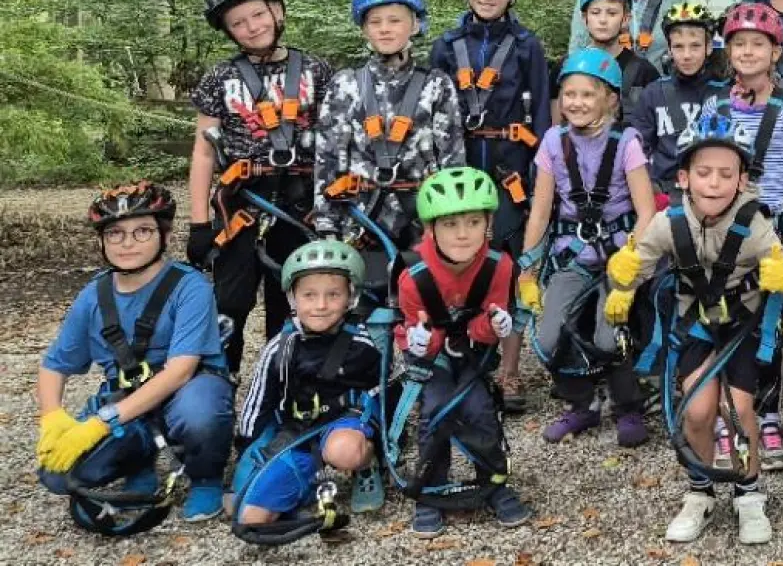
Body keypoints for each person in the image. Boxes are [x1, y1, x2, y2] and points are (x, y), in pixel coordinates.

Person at [604, 111, 783, 545]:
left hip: (742, 324)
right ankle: (699, 490)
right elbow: (636, 266)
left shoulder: (755, 227)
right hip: (697, 324)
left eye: (726, 174)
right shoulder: (668, 224)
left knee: (740, 410)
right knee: (697, 412)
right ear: (683, 178)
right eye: (703, 173)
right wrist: (622, 281)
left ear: (742, 181)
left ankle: (748, 492)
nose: (714, 183)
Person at [38, 183, 234, 524]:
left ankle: (206, 478)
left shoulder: (191, 287)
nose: (127, 243)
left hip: (186, 391)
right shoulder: (92, 295)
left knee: (200, 410)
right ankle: (137, 463)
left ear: (165, 234)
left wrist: (102, 422)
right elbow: (55, 365)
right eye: (115, 233)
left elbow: (181, 372)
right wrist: (52, 416)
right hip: (128, 397)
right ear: (101, 241)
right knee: (56, 475)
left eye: (142, 231)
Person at [188, 0, 334, 376]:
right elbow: (203, 152)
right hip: (243, 204)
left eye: (258, 15)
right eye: (239, 23)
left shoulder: (316, 70)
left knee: (291, 302)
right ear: (229, 32)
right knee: (229, 304)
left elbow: (338, 142)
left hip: (301, 203)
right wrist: (199, 222)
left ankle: (285, 387)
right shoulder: (219, 78)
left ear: (278, 12)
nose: (252, 27)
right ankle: (218, 387)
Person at [427, 0, 551, 412]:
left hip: (508, 166)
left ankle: (510, 370)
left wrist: (537, 175)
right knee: (459, 264)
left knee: (511, 267)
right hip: (460, 166)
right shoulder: (445, 44)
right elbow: (432, 109)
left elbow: (540, 108)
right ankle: (462, 361)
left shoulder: (526, 45)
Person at [703, 2, 783, 469]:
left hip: (770, 228)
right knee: (719, 319)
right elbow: (699, 161)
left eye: (758, 44)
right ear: (728, 51)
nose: (747, 52)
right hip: (721, 228)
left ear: (775, 53)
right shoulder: (714, 106)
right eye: (739, 44)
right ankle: (723, 415)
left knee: (768, 325)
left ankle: (767, 415)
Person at [523, 50, 657, 445]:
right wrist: (528, 271)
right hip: (572, 254)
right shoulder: (552, 141)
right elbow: (540, 211)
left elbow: (646, 211)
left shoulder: (626, 141)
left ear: (610, 99)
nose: (576, 103)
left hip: (619, 253)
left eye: (587, 94)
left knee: (607, 335)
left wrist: (630, 265)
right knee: (547, 337)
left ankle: (628, 405)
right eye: (569, 94)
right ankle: (581, 404)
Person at [397, 167, 529, 536]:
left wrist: (494, 327)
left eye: (473, 222)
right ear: (431, 229)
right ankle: (432, 489)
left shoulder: (499, 266)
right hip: (432, 356)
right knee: (436, 409)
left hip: (471, 352)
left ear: (489, 223)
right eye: (451, 223)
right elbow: (411, 331)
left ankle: (494, 480)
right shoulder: (413, 276)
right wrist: (418, 342)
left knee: (480, 408)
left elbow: (485, 327)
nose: (462, 233)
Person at [233, 240, 382, 528]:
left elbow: (385, 393)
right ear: (293, 298)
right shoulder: (280, 347)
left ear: (350, 296)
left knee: (343, 451)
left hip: (344, 423)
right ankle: (305, 482)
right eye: (309, 295)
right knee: (251, 518)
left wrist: (386, 444)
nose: (321, 305)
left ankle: (366, 466)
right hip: (296, 432)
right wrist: (249, 449)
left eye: (333, 295)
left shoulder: (363, 344)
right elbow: (258, 397)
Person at [313, 0, 465, 254]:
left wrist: (453, 221)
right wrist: (326, 225)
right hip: (359, 218)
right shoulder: (346, 84)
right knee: (363, 295)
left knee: (422, 294)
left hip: (424, 218)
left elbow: (452, 159)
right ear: (364, 30)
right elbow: (329, 157)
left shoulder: (436, 84)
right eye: (375, 22)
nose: (385, 29)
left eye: (394, 21)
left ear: (415, 25)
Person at [632, 0, 729, 197]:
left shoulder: (724, 93)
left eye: (695, 46)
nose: (686, 55)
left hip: (710, 192)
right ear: (669, 49)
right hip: (664, 191)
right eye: (678, 46)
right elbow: (638, 148)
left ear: (709, 47)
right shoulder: (653, 93)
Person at [574, 0, 662, 120]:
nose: (603, 20)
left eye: (612, 13)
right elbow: (558, 128)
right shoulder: (569, 67)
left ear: (626, 18)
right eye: (595, 12)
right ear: (584, 18)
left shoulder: (645, 73)